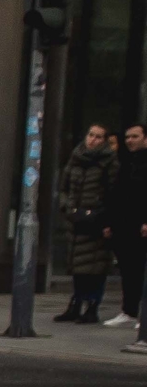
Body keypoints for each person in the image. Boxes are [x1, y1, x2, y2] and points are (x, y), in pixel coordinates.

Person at [53, 124, 118, 323]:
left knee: (95, 267)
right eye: (91, 135)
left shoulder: (109, 162)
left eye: (99, 137)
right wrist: (67, 207)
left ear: (105, 141)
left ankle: (92, 306)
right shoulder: (76, 158)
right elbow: (63, 188)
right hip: (76, 219)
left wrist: (105, 219)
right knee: (77, 266)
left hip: (97, 221)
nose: (93, 140)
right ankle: (76, 304)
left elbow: (114, 194)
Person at [110, 124, 147, 326]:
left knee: (140, 269)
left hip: (140, 224)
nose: (130, 140)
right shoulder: (126, 161)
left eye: (135, 136)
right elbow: (118, 193)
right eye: (127, 137)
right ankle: (129, 310)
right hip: (124, 223)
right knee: (128, 269)